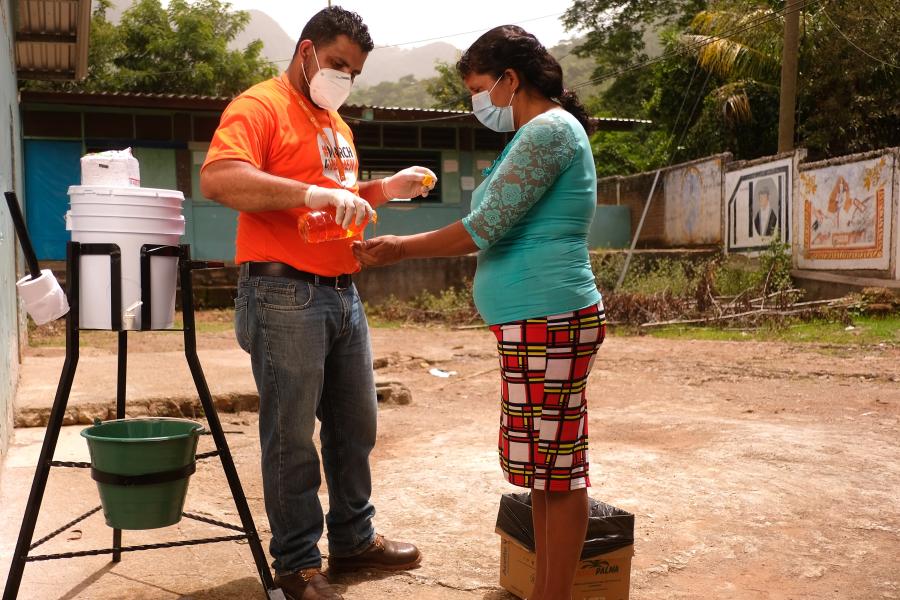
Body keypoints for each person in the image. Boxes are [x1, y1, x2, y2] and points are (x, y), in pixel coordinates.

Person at [354, 25, 606, 600]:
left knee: (558, 471)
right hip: (534, 320)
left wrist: (398, 248)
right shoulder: (536, 134)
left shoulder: (547, 131)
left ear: (510, 81)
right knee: (544, 470)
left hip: (551, 317)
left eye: (478, 88)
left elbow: (484, 228)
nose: (477, 104)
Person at [200, 7, 434, 600]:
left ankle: (354, 541)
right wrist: (306, 191)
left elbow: (340, 197)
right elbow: (221, 178)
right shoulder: (259, 106)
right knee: (292, 436)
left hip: (341, 291)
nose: (343, 79)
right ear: (305, 52)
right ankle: (297, 564)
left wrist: (384, 189)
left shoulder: (336, 123)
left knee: (356, 426)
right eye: (335, 65)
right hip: (283, 292)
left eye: (353, 72)